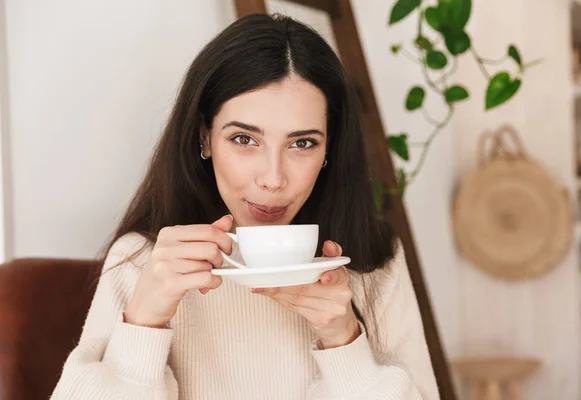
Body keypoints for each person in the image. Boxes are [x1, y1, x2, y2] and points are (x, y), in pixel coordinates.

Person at [51, 13, 438, 400]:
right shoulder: (143, 261)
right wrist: (143, 324)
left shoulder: (375, 264)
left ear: (329, 151)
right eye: (243, 139)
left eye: (302, 143)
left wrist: (343, 341)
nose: (273, 178)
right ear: (205, 138)